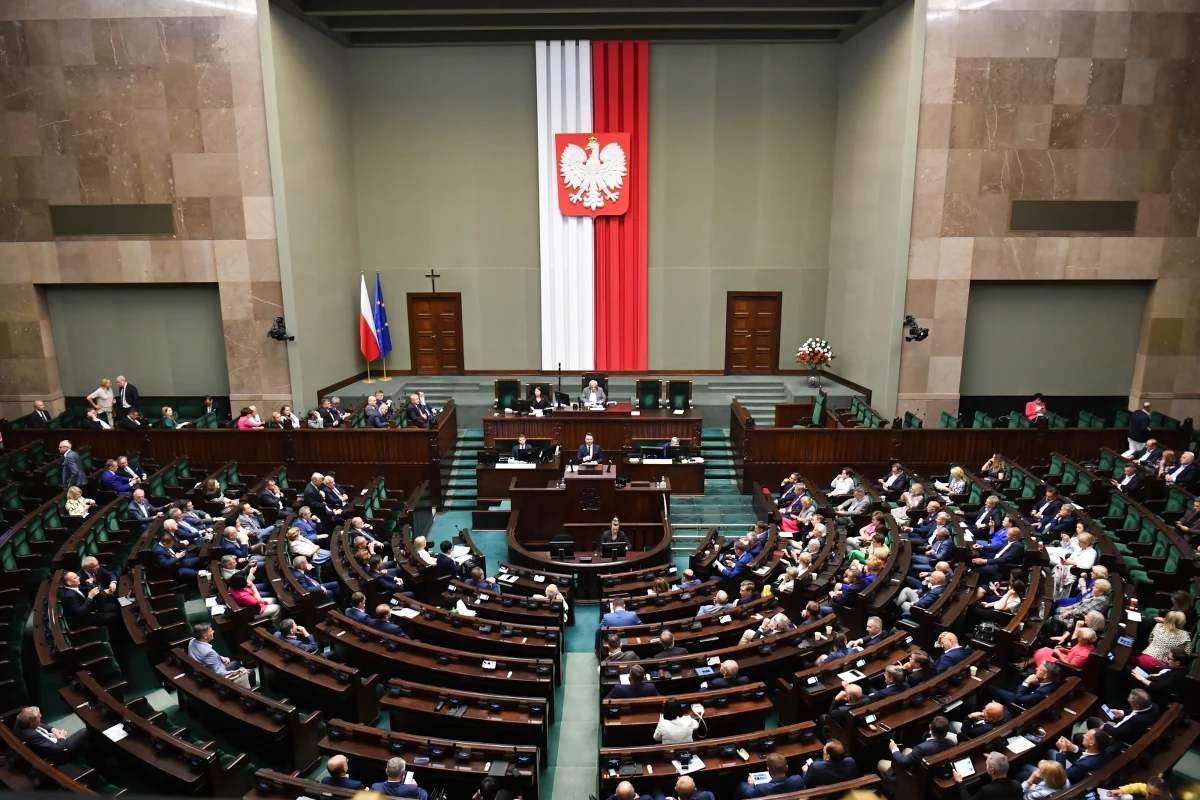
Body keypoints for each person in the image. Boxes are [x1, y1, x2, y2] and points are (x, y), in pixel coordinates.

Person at [879, 716, 955, 779]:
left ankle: (892, 788)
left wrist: (894, 749)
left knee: (880, 763)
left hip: (916, 777)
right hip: (933, 771)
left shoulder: (921, 748)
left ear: (930, 726)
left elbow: (903, 762)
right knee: (907, 750)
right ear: (946, 731)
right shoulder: (951, 743)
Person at [14, 706, 88, 764]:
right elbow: (58, 749)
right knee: (84, 732)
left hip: (50, 742)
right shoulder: (32, 736)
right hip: (59, 754)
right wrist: (61, 737)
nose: (41, 717)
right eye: (39, 718)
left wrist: (53, 729)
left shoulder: (21, 722)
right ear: (32, 724)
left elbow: (39, 725)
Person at [188, 622, 253, 687]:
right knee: (251, 672)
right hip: (216, 678)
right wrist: (240, 672)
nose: (213, 631)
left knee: (235, 663)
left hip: (205, 671)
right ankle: (252, 692)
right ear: (205, 636)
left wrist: (221, 658)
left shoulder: (192, 641)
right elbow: (220, 674)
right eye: (211, 631)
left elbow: (207, 658)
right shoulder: (209, 652)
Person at [1091, 689, 1160, 744]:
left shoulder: (1136, 720)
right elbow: (1136, 711)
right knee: (1092, 720)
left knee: (1091, 724)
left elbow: (1117, 733)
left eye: (1130, 702)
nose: (1129, 702)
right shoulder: (1153, 706)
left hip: (1116, 739)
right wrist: (1121, 712)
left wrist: (1105, 726)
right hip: (1124, 728)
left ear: (1137, 706)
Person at [988, 661, 1061, 707]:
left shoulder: (1043, 692)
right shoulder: (1053, 681)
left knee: (989, 688)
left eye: (1039, 669)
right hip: (1028, 695)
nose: (1036, 669)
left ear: (1045, 676)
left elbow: (1018, 699)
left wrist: (1026, 682)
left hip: (1021, 705)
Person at [953, 751, 1022, 799]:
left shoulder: (987, 790)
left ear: (992, 770)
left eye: (987, 764)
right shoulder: (1017, 785)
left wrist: (960, 782)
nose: (986, 765)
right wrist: (993, 759)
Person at [738, 752, 804, 797]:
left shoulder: (762, 788)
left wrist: (750, 784)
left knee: (742, 785)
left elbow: (749, 795)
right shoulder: (798, 780)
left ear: (768, 771)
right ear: (787, 768)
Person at [1030, 626, 1096, 669]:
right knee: (1045, 650)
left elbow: (1070, 667)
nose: (1077, 638)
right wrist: (1063, 650)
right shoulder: (1083, 644)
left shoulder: (1083, 655)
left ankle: (1037, 669)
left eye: (1079, 637)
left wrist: (1059, 654)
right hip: (1065, 658)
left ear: (1085, 639)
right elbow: (1072, 652)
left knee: (1043, 652)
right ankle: (1026, 663)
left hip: (1063, 666)